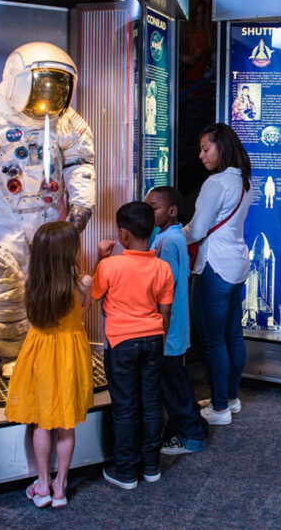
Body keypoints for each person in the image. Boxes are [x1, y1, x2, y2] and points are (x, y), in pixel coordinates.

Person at [0, 41, 95, 375]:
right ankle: (13, 356)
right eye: (42, 85)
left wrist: (81, 206)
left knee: (55, 284)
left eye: (58, 86)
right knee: (6, 289)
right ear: (17, 80)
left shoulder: (66, 121)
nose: (49, 95)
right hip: (6, 219)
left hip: (50, 218)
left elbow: (80, 162)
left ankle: (52, 347)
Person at [4, 221, 94, 508]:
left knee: (42, 422)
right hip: (69, 353)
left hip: (39, 351)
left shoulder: (32, 282)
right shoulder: (83, 282)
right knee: (66, 425)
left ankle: (42, 485)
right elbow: (83, 310)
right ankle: (61, 487)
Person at [93, 202, 174, 489]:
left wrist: (100, 259)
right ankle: (152, 466)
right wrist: (159, 338)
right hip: (153, 340)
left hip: (121, 343)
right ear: (151, 230)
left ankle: (126, 471)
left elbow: (94, 293)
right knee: (152, 403)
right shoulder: (162, 268)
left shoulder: (110, 266)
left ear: (123, 235)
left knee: (125, 406)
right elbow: (165, 312)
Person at [185, 123, 252, 425]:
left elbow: (198, 230)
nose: (201, 155)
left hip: (214, 266)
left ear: (220, 148)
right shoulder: (243, 181)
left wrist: (169, 236)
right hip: (236, 263)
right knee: (233, 335)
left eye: (205, 148)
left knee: (212, 341)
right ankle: (230, 398)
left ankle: (219, 408)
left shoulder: (216, 183)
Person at [146, 186, 209, 455]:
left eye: (154, 208)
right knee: (176, 380)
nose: (149, 213)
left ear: (171, 211)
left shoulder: (169, 242)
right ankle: (192, 426)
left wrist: (159, 326)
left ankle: (192, 434)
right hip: (171, 326)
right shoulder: (167, 236)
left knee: (174, 384)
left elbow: (164, 288)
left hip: (168, 328)